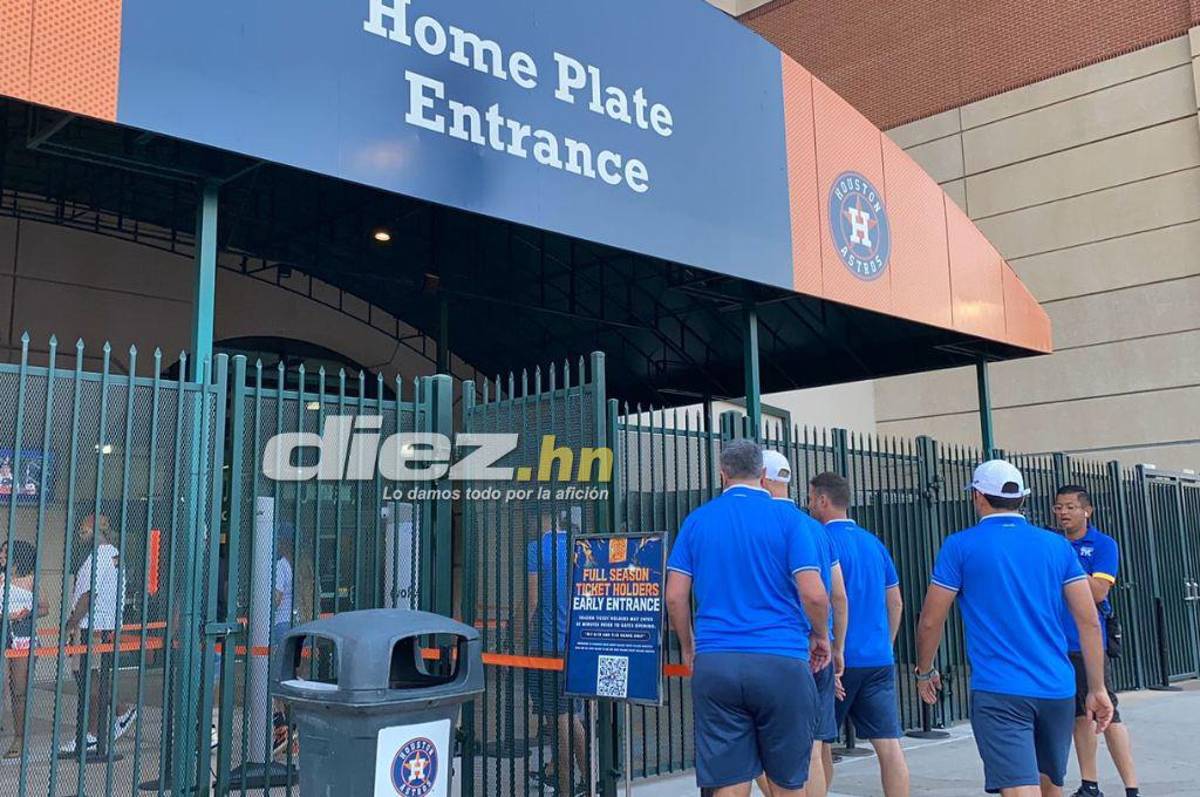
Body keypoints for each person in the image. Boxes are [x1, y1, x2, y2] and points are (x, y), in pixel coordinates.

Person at [915, 460, 1114, 797]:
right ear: (1022, 498)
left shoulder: (960, 545)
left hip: (1000, 689)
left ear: (978, 496)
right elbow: (1089, 621)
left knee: (1020, 787)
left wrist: (925, 671)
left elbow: (931, 620)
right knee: (1050, 785)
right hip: (1057, 688)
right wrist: (1097, 688)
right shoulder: (1057, 546)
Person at [666, 439, 830, 797]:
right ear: (762, 474)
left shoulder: (697, 520)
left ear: (723, 473)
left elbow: (675, 596)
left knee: (729, 780)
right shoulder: (790, 520)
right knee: (788, 782)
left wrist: (689, 646)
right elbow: (815, 594)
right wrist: (821, 635)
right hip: (781, 660)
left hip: (717, 662)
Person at [808, 471, 910, 797]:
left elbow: (824, 599)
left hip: (836, 660)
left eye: (810, 499)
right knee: (889, 745)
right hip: (878, 658)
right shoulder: (873, 543)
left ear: (823, 500)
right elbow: (896, 601)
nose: (809, 505)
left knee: (819, 743)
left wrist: (832, 648)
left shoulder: (819, 540)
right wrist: (885, 645)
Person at [754, 452, 847, 797]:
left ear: (761, 477)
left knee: (758, 745)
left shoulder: (758, 525)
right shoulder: (815, 529)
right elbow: (837, 594)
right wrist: (834, 644)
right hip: (819, 651)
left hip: (777, 649)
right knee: (813, 748)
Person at [1053, 486, 1140, 797]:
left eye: (1070, 507)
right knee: (1079, 716)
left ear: (1087, 511)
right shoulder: (1053, 544)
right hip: (1056, 641)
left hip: (1087, 643)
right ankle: (1090, 785)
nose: (1063, 513)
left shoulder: (1102, 545)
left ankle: (1131, 787)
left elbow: (1099, 591)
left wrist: (1067, 561)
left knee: (1107, 711)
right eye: (1059, 507)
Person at [526, 510, 589, 797]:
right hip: (573, 643)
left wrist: (517, 636)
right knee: (571, 715)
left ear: (540, 517)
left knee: (558, 718)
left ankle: (565, 787)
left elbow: (533, 600)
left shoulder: (537, 548)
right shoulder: (579, 546)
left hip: (546, 644)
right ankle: (588, 779)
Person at [62, 514, 134, 755]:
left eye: (84, 527)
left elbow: (88, 594)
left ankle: (93, 734)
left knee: (85, 676)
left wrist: (71, 623)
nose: (80, 531)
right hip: (101, 624)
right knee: (91, 675)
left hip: (92, 626)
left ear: (95, 529)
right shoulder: (110, 554)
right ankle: (119, 712)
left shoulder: (101, 555)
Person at [1, 540, 48, 759]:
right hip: (4, 634)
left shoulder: (31, 580)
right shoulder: (1, 578)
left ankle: (20, 738)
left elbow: (44, 608)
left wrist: (27, 613)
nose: (1, 555)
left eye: (5, 552)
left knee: (19, 690)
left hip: (22, 636)